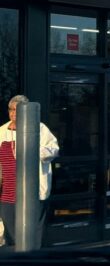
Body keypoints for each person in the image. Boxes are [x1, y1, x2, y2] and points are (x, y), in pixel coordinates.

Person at [0, 95, 59, 248]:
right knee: (10, 232)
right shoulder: (1, 131)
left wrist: (30, 147)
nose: (13, 114)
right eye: (10, 110)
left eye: (16, 110)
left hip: (31, 191)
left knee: (32, 232)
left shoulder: (39, 128)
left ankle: (32, 259)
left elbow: (53, 150)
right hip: (7, 192)